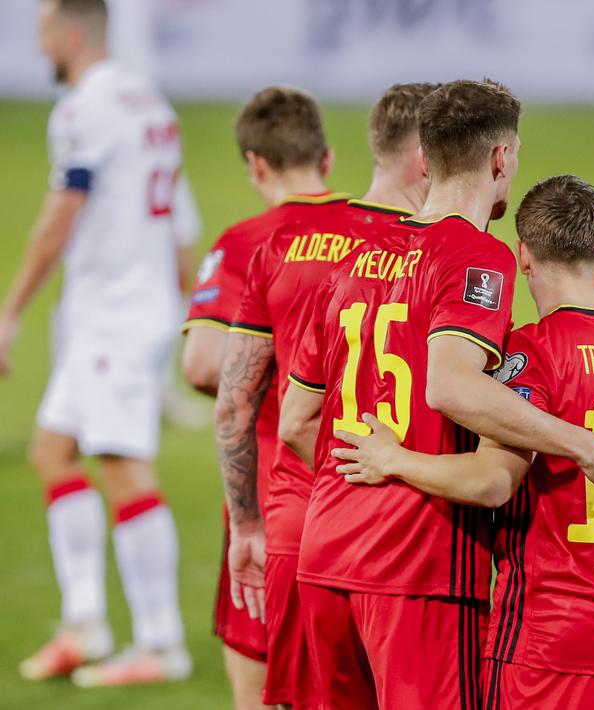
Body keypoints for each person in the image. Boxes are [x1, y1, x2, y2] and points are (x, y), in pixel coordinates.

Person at [276, 80, 594, 709]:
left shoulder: (349, 259)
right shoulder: (477, 256)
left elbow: (295, 420)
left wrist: (367, 480)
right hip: (418, 567)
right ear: (502, 159)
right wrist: (586, 446)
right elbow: (450, 386)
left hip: (326, 555)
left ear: (425, 157)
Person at [330, 174, 594, 709]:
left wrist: (393, 460)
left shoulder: (528, 354)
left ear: (523, 257)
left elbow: (490, 482)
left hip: (546, 638)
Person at [184, 82, 428, 709]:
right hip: (398, 501)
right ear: (327, 157)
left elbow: (206, 369)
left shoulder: (258, 241)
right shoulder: (401, 241)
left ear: (255, 164)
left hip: (282, 497)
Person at [2, 0, 196, 686]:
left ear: (74, 33)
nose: (41, 47)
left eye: (45, 33)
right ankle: (84, 623)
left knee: (121, 467)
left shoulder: (83, 109)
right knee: (52, 450)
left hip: (115, 314)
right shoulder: (150, 104)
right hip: (127, 309)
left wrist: (10, 310)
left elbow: (61, 214)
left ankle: (161, 643)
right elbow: (178, 218)